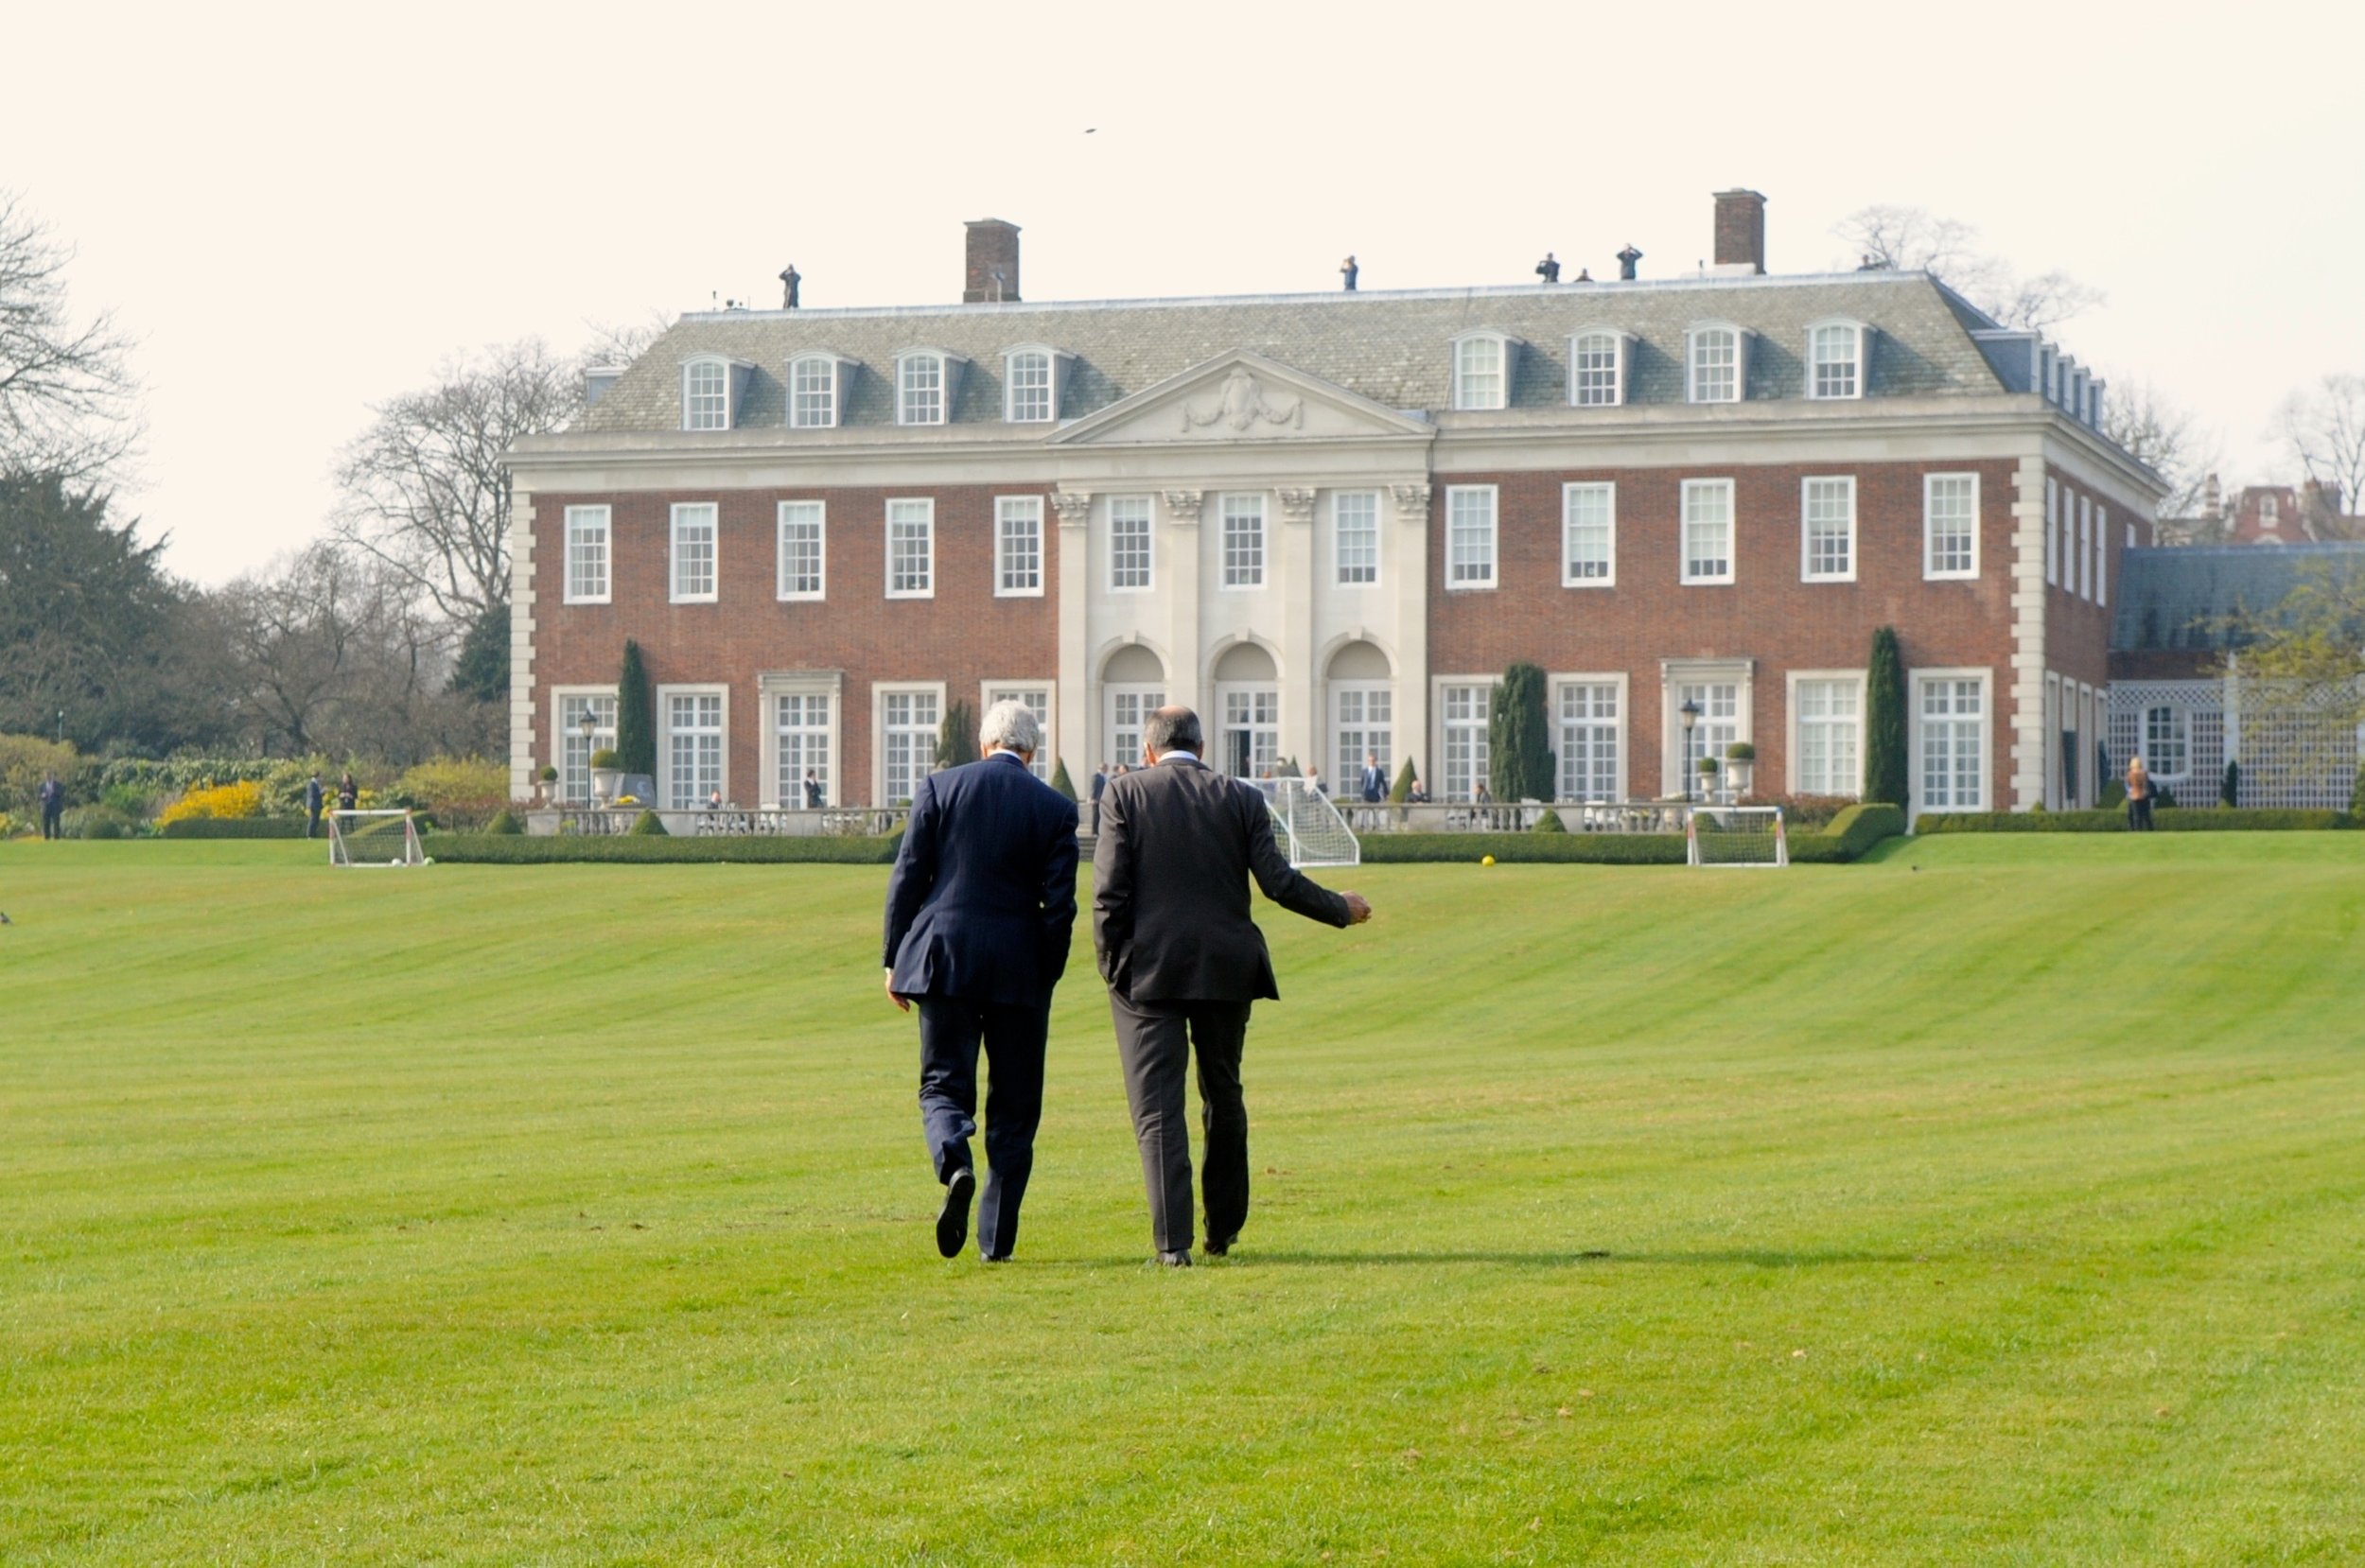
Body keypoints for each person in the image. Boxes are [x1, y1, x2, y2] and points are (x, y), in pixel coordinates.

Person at [1094, 706, 1374, 1267]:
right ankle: (1222, 1229)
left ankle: (1173, 1245)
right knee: (1223, 1095)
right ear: (1201, 748)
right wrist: (1339, 909)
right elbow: (1278, 882)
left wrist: (1113, 968)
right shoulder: (1239, 797)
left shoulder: (1124, 795)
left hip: (1149, 973)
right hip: (1225, 968)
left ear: (1148, 751)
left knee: (1158, 1110)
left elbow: (1108, 897)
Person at [883, 699, 1080, 1263]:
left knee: (942, 1086)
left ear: (983, 744)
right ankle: (996, 1243)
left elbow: (908, 876)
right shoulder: (1055, 808)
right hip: (1019, 968)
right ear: (1032, 752)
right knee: (1016, 1107)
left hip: (943, 958)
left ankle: (955, 1163)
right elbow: (1059, 907)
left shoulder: (941, 787)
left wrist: (895, 958)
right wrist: (1047, 971)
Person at [2126, 756, 2154, 831]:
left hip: (2133, 796)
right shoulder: (2144, 773)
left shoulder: (2130, 774)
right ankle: (2150, 829)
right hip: (2144, 796)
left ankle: (2135, 830)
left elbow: (2128, 785)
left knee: (2134, 815)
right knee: (2146, 815)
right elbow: (2147, 783)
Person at [38, 774, 64, 841]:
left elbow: (61, 793)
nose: (48, 777)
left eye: (49, 775)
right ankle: (47, 838)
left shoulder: (57, 785)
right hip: (46, 806)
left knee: (56, 822)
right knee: (46, 822)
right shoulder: (42, 786)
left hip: (55, 806)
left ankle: (56, 838)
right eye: (46, 776)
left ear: (51, 776)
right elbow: (39, 796)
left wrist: (54, 792)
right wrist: (42, 796)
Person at [304, 772, 324, 838]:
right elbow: (313, 794)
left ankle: (313, 834)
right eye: (320, 777)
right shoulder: (312, 783)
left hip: (317, 804)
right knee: (313, 819)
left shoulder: (316, 783)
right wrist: (321, 792)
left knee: (316, 820)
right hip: (314, 804)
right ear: (317, 776)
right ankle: (310, 834)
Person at [1091, 764, 1109, 834]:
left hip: (1102, 799)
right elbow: (1093, 788)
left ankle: (1098, 831)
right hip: (1096, 800)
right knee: (1096, 816)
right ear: (1103, 768)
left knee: (1100, 815)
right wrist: (1092, 798)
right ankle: (1094, 831)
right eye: (1106, 769)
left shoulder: (1103, 777)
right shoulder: (1096, 777)